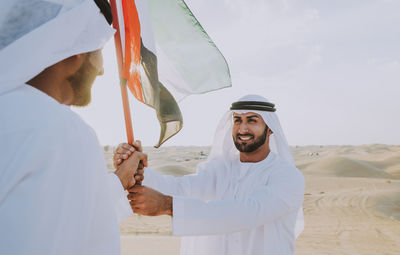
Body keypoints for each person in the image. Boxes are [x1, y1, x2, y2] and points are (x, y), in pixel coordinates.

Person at [0, 0, 147, 254]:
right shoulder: (59, 131)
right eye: (99, 51)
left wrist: (118, 182)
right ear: (75, 50)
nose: (102, 71)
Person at [115, 95, 305, 255]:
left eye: (252, 120)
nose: (243, 128)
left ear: (270, 128)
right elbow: (182, 188)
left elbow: (248, 212)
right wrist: (137, 171)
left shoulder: (287, 176)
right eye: (237, 120)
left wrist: (168, 205)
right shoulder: (219, 169)